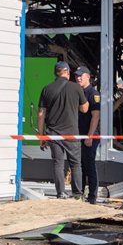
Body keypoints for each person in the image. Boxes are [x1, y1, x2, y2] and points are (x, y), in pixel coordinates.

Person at [37, 61, 89, 199]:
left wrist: (41, 135)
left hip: (53, 134)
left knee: (58, 163)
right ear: (68, 72)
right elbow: (85, 109)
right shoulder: (76, 88)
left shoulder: (46, 89)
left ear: (56, 72)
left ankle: (60, 193)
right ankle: (78, 194)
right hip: (72, 133)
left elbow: (41, 114)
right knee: (75, 164)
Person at [74, 66, 101, 204]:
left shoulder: (93, 93)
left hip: (90, 135)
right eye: (77, 76)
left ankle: (92, 196)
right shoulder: (76, 92)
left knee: (89, 166)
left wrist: (90, 136)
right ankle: (80, 195)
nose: (78, 78)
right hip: (79, 135)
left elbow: (95, 116)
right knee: (80, 166)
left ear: (88, 77)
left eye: (81, 75)